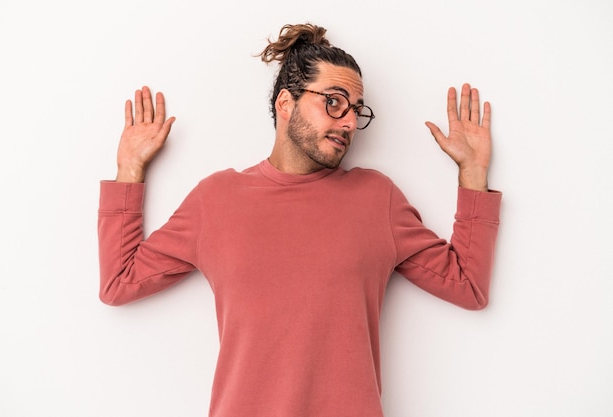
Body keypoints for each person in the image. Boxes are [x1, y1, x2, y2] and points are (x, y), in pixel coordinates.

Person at [98, 23, 501, 417]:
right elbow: (119, 283)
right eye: (334, 101)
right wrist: (129, 168)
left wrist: (473, 175)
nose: (347, 122)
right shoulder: (217, 199)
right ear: (285, 103)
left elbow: (468, 287)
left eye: (356, 111)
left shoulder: (377, 199)